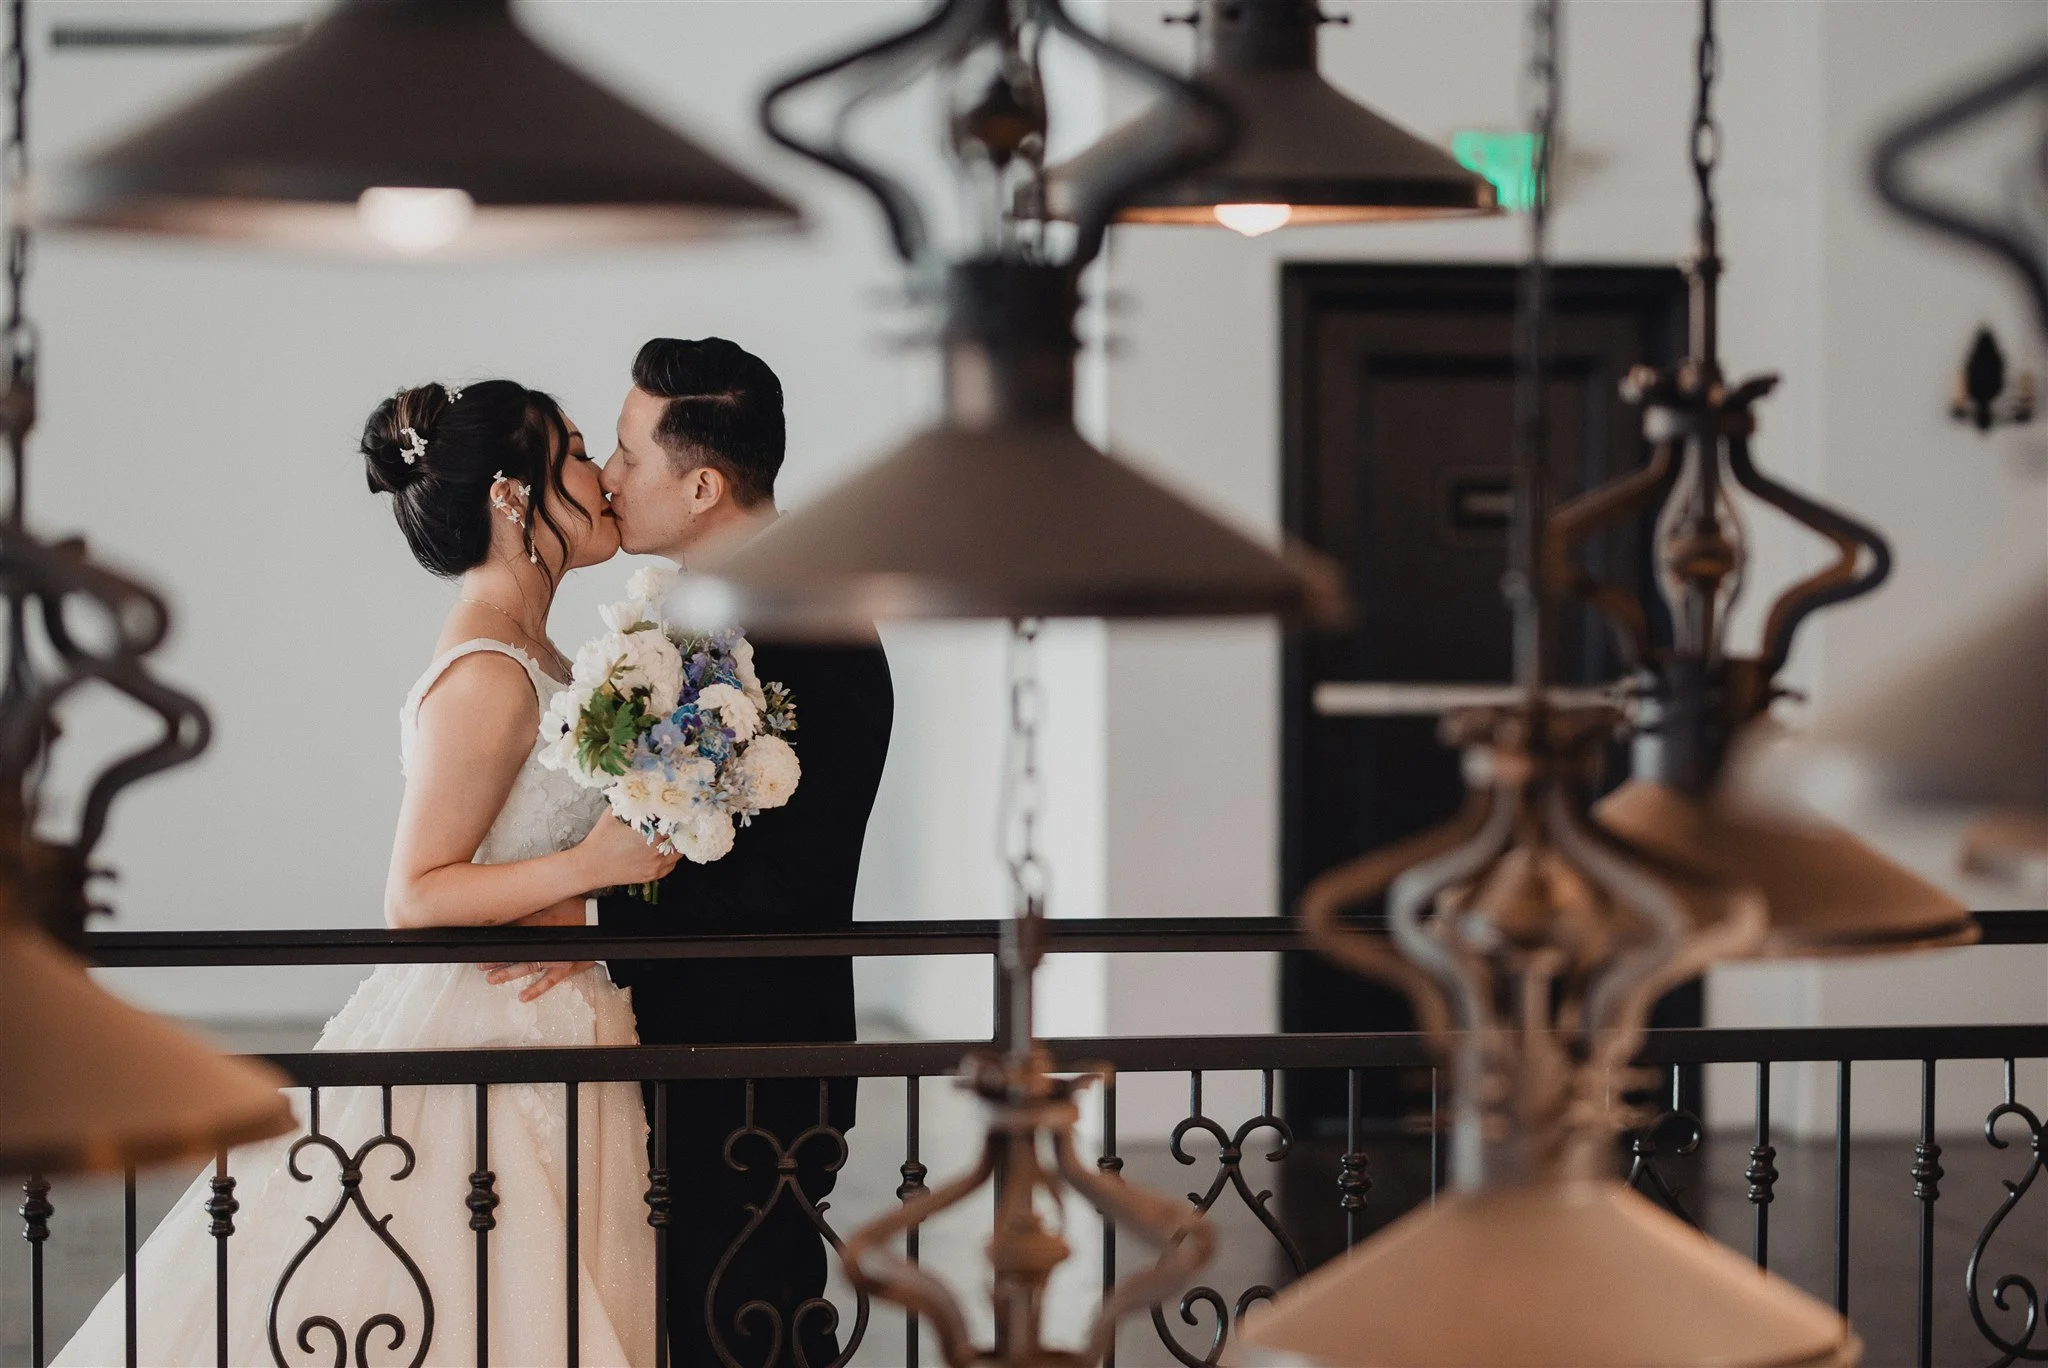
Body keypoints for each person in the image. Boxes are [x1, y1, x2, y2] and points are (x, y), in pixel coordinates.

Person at [56, 380, 669, 1367]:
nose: (600, 478)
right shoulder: (486, 672)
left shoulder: (535, 652)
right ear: (515, 497)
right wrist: (590, 866)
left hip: (549, 1027)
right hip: (481, 1047)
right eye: (579, 450)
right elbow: (415, 896)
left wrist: (576, 891)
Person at [489, 338, 893, 1368]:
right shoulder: (698, 611)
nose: (609, 479)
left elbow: (790, 882)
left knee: (748, 1331)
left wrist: (592, 911)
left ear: (704, 482)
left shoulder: (812, 619)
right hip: (677, 1034)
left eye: (626, 453)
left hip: (752, 1056)